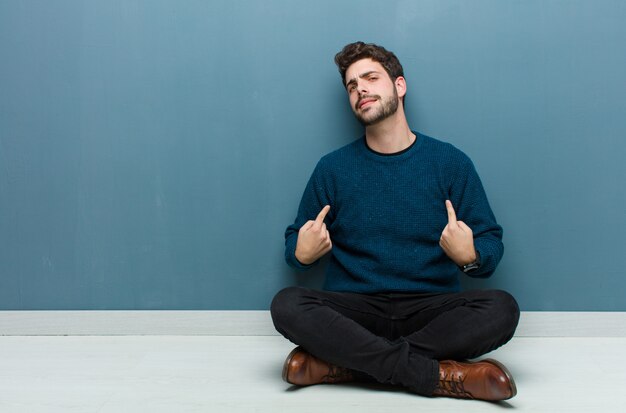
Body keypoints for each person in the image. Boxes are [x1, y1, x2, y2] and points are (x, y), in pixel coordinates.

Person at [270, 41, 520, 401]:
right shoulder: (332, 169)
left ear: (399, 86)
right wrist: (302, 253)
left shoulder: (450, 162)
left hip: (430, 309)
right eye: (352, 86)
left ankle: (344, 365)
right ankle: (437, 375)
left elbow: (490, 242)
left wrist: (471, 256)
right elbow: (294, 246)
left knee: (502, 309)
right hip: (355, 310)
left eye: (370, 77)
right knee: (286, 304)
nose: (361, 89)